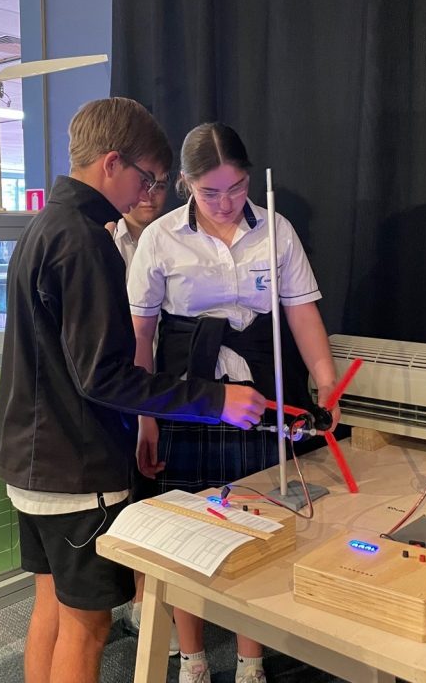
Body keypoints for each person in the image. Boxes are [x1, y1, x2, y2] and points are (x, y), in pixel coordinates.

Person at [0, 100, 266, 683]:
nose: (150, 195)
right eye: (148, 180)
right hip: (77, 472)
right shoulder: (85, 241)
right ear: (112, 163)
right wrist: (217, 400)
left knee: (52, 609)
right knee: (88, 628)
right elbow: (104, 376)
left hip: (30, 463)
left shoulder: (41, 228)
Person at [126, 122, 340, 683]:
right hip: (190, 395)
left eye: (237, 188)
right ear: (185, 185)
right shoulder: (160, 238)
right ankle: (193, 657)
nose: (225, 203)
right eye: (210, 191)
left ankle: (252, 659)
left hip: (264, 393)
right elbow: (141, 339)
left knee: (260, 523)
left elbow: (301, 312)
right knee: (189, 529)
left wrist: (325, 379)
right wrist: (147, 420)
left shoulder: (276, 230)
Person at [106, 175, 182, 652]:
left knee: (165, 492)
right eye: (143, 183)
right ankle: (142, 601)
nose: (149, 195)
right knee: (136, 494)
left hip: (168, 381)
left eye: (159, 185)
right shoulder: (104, 243)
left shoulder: (175, 235)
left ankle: (168, 599)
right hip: (124, 385)